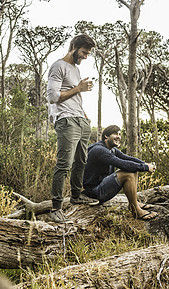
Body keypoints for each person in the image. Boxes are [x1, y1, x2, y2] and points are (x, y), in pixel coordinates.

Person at [46, 34, 97, 223]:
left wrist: (84, 115)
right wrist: (78, 88)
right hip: (66, 120)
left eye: (88, 54)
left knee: (81, 161)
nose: (85, 56)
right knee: (64, 164)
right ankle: (55, 207)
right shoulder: (58, 66)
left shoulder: (75, 69)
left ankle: (76, 195)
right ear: (74, 47)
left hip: (81, 120)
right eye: (84, 52)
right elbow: (52, 97)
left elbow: (75, 97)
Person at [82, 125, 159, 220]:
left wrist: (145, 163)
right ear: (106, 136)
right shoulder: (99, 150)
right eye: (115, 134)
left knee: (133, 169)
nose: (118, 136)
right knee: (128, 173)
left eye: (119, 134)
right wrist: (145, 167)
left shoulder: (112, 149)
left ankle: (134, 202)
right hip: (94, 193)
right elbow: (122, 164)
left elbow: (128, 158)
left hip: (101, 185)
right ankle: (135, 210)